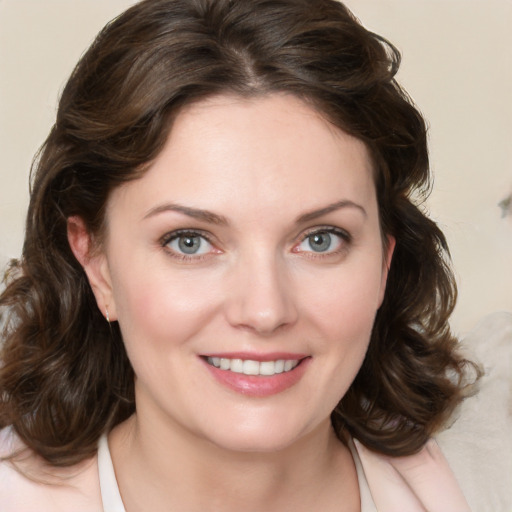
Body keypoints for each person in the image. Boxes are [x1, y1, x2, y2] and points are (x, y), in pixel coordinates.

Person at [0, 0, 487, 510]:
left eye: (321, 239)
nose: (264, 311)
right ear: (97, 264)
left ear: (384, 264)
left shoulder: (488, 476)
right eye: (189, 241)